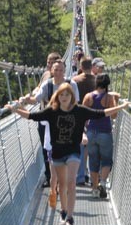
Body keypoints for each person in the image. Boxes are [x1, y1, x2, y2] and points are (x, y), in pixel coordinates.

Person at [7, 83, 129, 225]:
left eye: (67, 95)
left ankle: (70, 218)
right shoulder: (52, 111)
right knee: (62, 186)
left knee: (71, 183)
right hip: (57, 153)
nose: (64, 98)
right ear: (57, 97)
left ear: (72, 96)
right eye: (61, 95)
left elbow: (100, 113)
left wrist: (121, 108)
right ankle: (63, 211)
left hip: (73, 152)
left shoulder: (80, 111)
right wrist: (15, 110)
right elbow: (32, 116)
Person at [23, 60, 79, 204]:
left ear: (65, 71)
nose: (59, 72)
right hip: (48, 127)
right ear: (52, 70)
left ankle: (62, 195)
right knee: (52, 165)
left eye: (61, 69)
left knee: (64, 165)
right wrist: (24, 100)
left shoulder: (71, 84)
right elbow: (36, 99)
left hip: (66, 128)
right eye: (56, 69)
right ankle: (53, 190)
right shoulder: (47, 85)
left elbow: (76, 104)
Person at [82, 73, 118, 199]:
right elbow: (114, 116)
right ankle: (102, 183)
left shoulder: (88, 96)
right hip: (105, 133)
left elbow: (83, 113)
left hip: (91, 132)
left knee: (93, 160)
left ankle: (94, 188)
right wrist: (116, 102)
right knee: (106, 160)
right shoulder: (109, 98)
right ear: (107, 84)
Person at [30, 52, 61, 187]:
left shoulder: (61, 81)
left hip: (51, 118)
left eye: (51, 62)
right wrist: (34, 92)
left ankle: (52, 178)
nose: (48, 64)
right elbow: (39, 87)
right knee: (49, 149)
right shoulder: (45, 75)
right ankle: (53, 178)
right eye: (48, 61)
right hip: (44, 117)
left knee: (49, 149)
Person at [72, 56, 97, 185]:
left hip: (78, 116)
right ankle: (89, 174)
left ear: (81, 67)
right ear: (91, 66)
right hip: (93, 116)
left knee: (79, 144)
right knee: (90, 146)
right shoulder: (97, 81)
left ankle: (80, 175)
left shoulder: (74, 80)